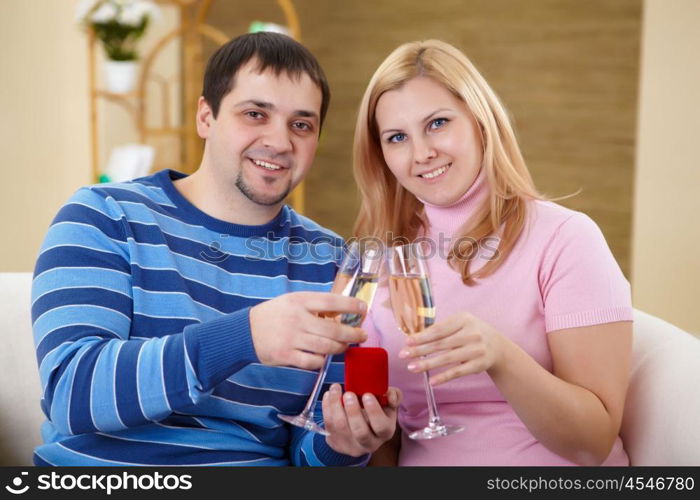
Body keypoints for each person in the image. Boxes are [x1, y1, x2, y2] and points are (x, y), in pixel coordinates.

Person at [31, 32, 400, 466]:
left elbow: (309, 448)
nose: (280, 142)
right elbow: (72, 393)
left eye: (301, 124)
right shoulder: (105, 216)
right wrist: (243, 337)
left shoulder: (333, 262)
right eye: (255, 113)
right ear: (206, 116)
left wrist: (343, 444)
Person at [352, 39, 633, 466]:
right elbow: (382, 443)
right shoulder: (384, 260)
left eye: (438, 123)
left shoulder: (565, 239)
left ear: (481, 122)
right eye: (397, 137)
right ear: (382, 155)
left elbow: (591, 443)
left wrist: (501, 357)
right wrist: (360, 435)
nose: (422, 153)